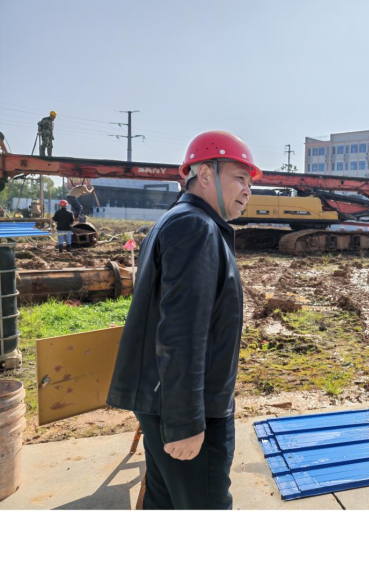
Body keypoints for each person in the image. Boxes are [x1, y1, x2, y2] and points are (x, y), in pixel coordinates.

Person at [106, 131, 262, 509]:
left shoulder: (177, 221)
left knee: (165, 503)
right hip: (190, 412)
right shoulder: (195, 227)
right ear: (205, 174)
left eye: (250, 182)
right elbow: (181, 332)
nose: (248, 190)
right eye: (240, 178)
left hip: (166, 402)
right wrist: (186, 423)